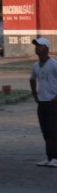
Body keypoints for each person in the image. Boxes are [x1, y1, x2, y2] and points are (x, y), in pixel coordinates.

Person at [29, 37, 57, 167]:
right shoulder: (35, 65)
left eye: (39, 45)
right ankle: (49, 157)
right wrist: (34, 93)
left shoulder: (54, 64)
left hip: (53, 103)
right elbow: (32, 79)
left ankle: (55, 158)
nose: (36, 48)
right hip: (42, 103)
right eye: (36, 46)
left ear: (46, 48)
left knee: (53, 131)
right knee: (45, 131)